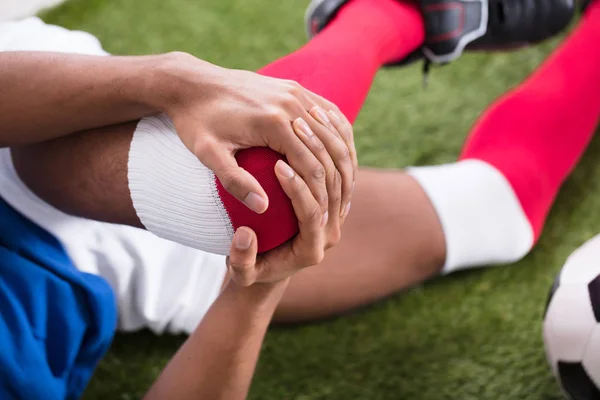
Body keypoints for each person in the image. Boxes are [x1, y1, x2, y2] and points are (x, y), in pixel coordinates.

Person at [0, 0, 580, 398]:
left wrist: (173, 80)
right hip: (89, 270)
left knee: (251, 175)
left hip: (29, 120)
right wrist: (255, 290)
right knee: (498, 213)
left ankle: (388, 15)